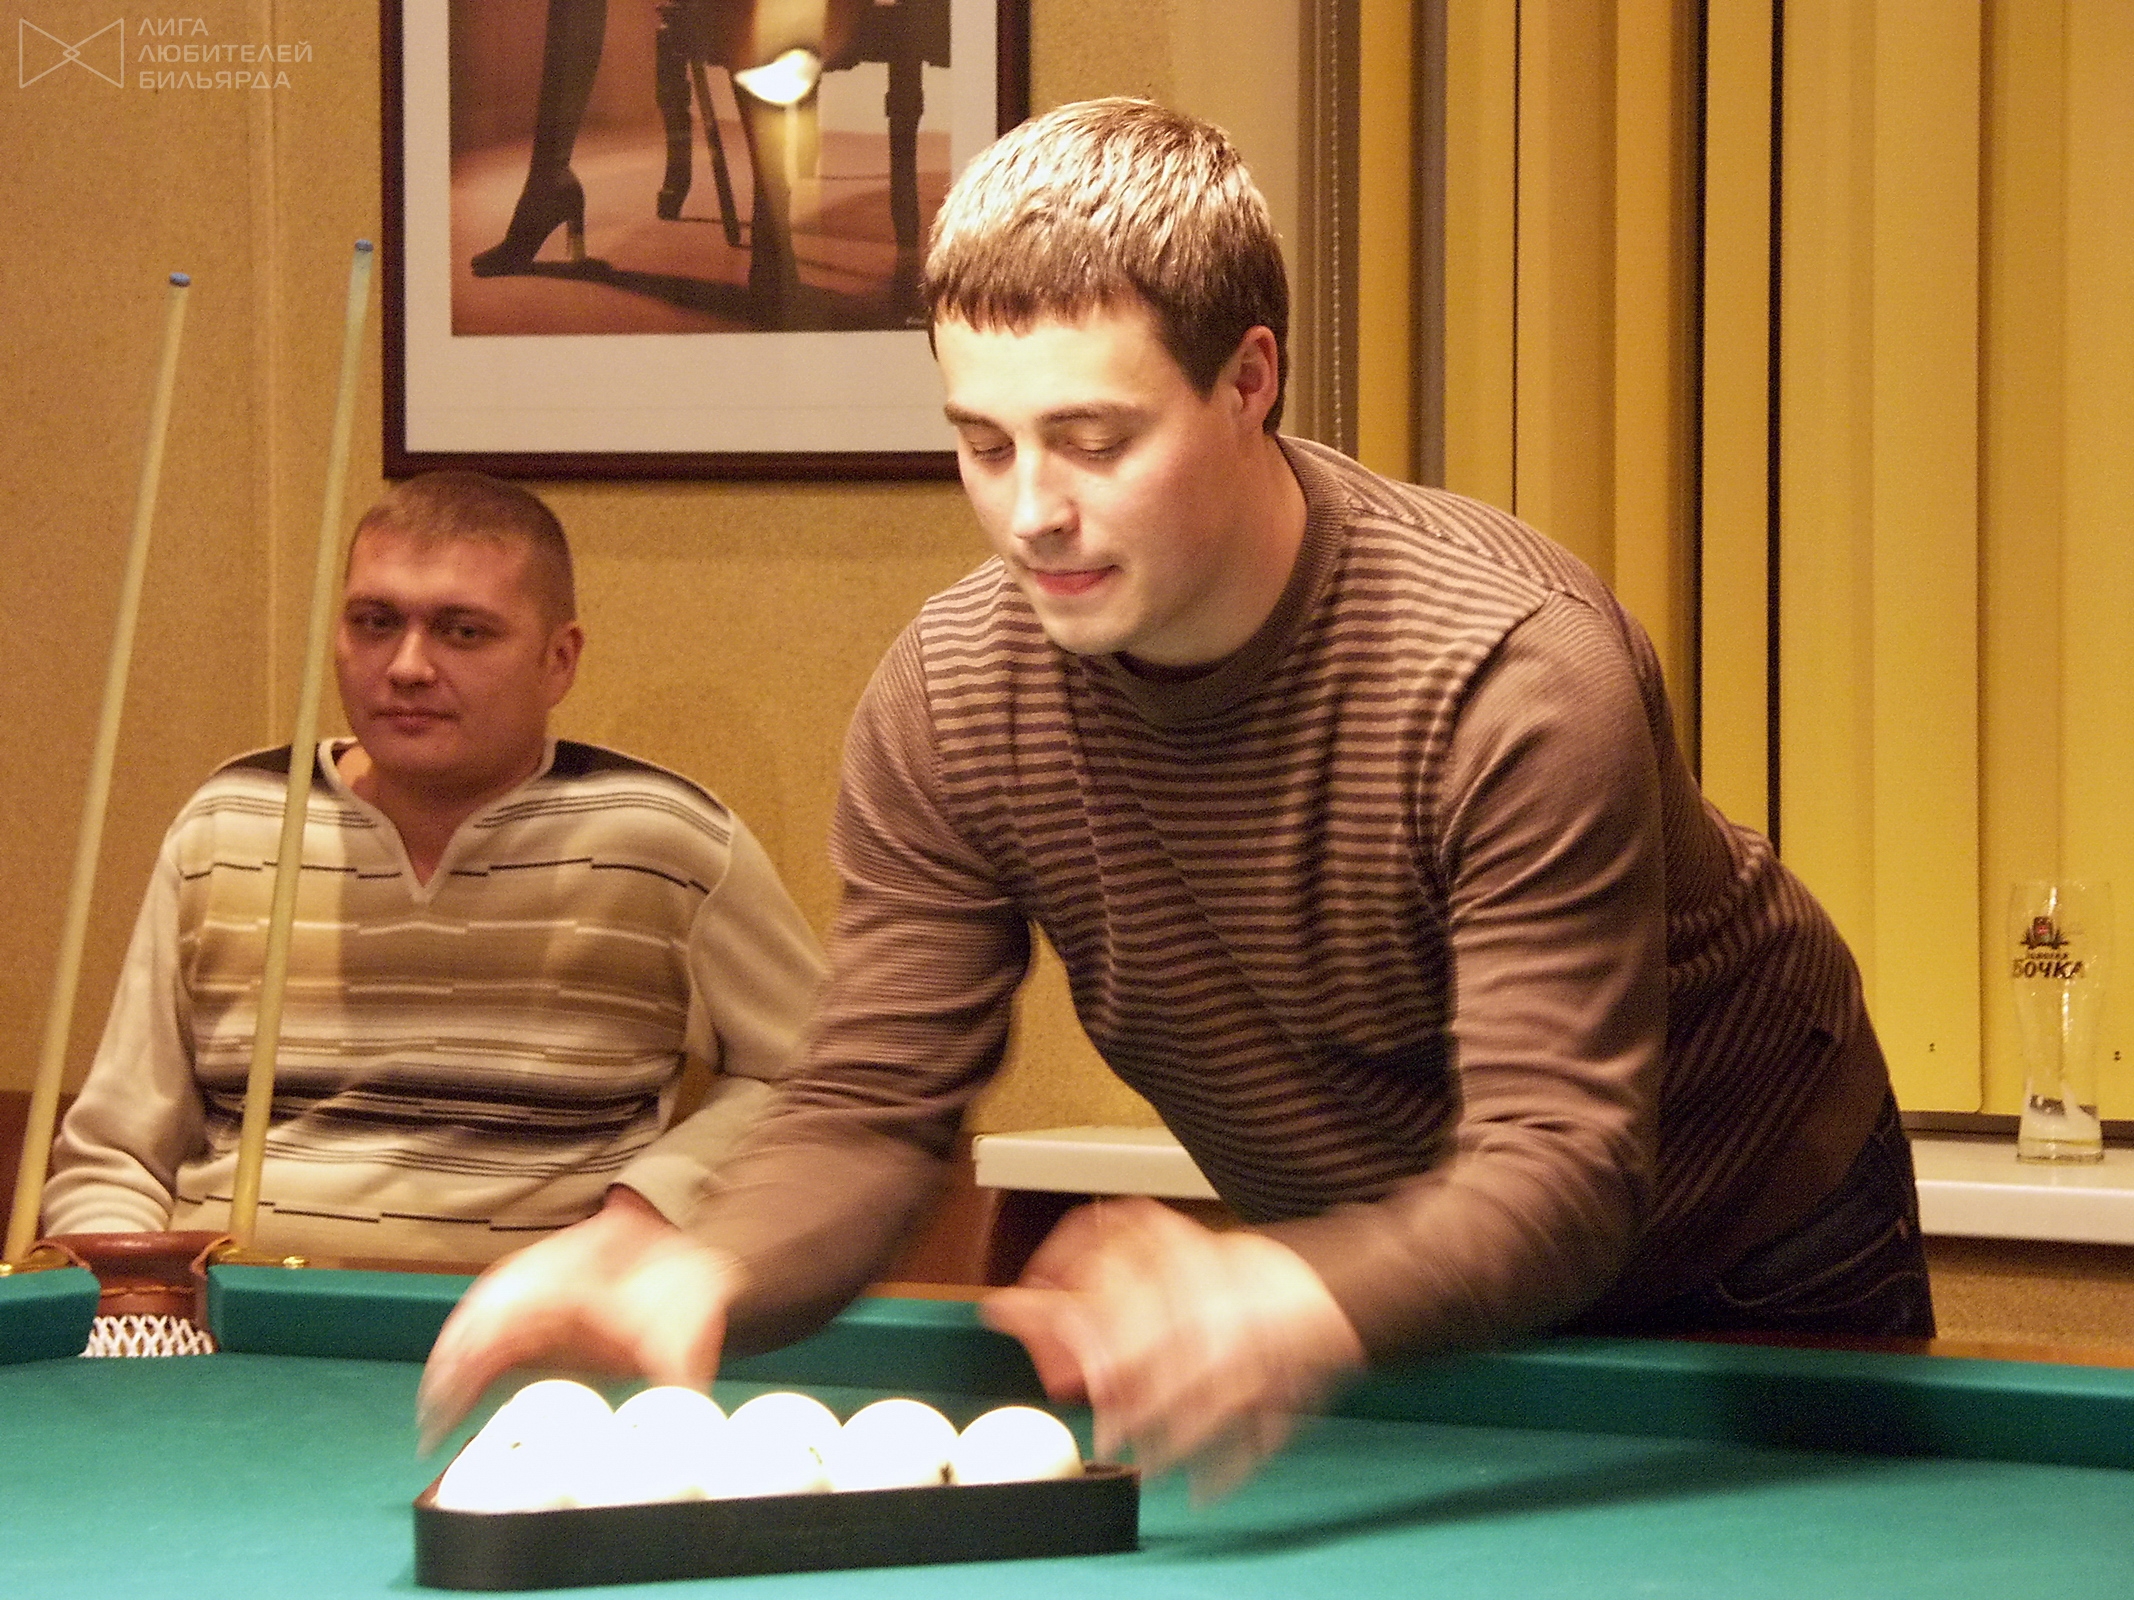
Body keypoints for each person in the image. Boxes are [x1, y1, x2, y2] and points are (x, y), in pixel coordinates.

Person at [416, 100, 1932, 1490]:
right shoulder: (952, 700)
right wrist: (706, 1267)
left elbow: (1559, 1171)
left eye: (1094, 440)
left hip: (1744, 1238)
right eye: (982, 444)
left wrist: (1276, 1288)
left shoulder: (1514, 672)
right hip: (1363, 1267)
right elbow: (872, 1109)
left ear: (1248, 380)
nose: (1030, 512)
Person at [43, 471, 824, 1264]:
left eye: (464, 632)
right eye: (376, 622)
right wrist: (128, 1301)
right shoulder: (231, 821)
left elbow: (819, 1075)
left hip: (532, 1322)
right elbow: (116, 1156)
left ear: (559, 660)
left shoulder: (662, 840)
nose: (408, 665)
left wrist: (652, 1205)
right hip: (228, 1316)